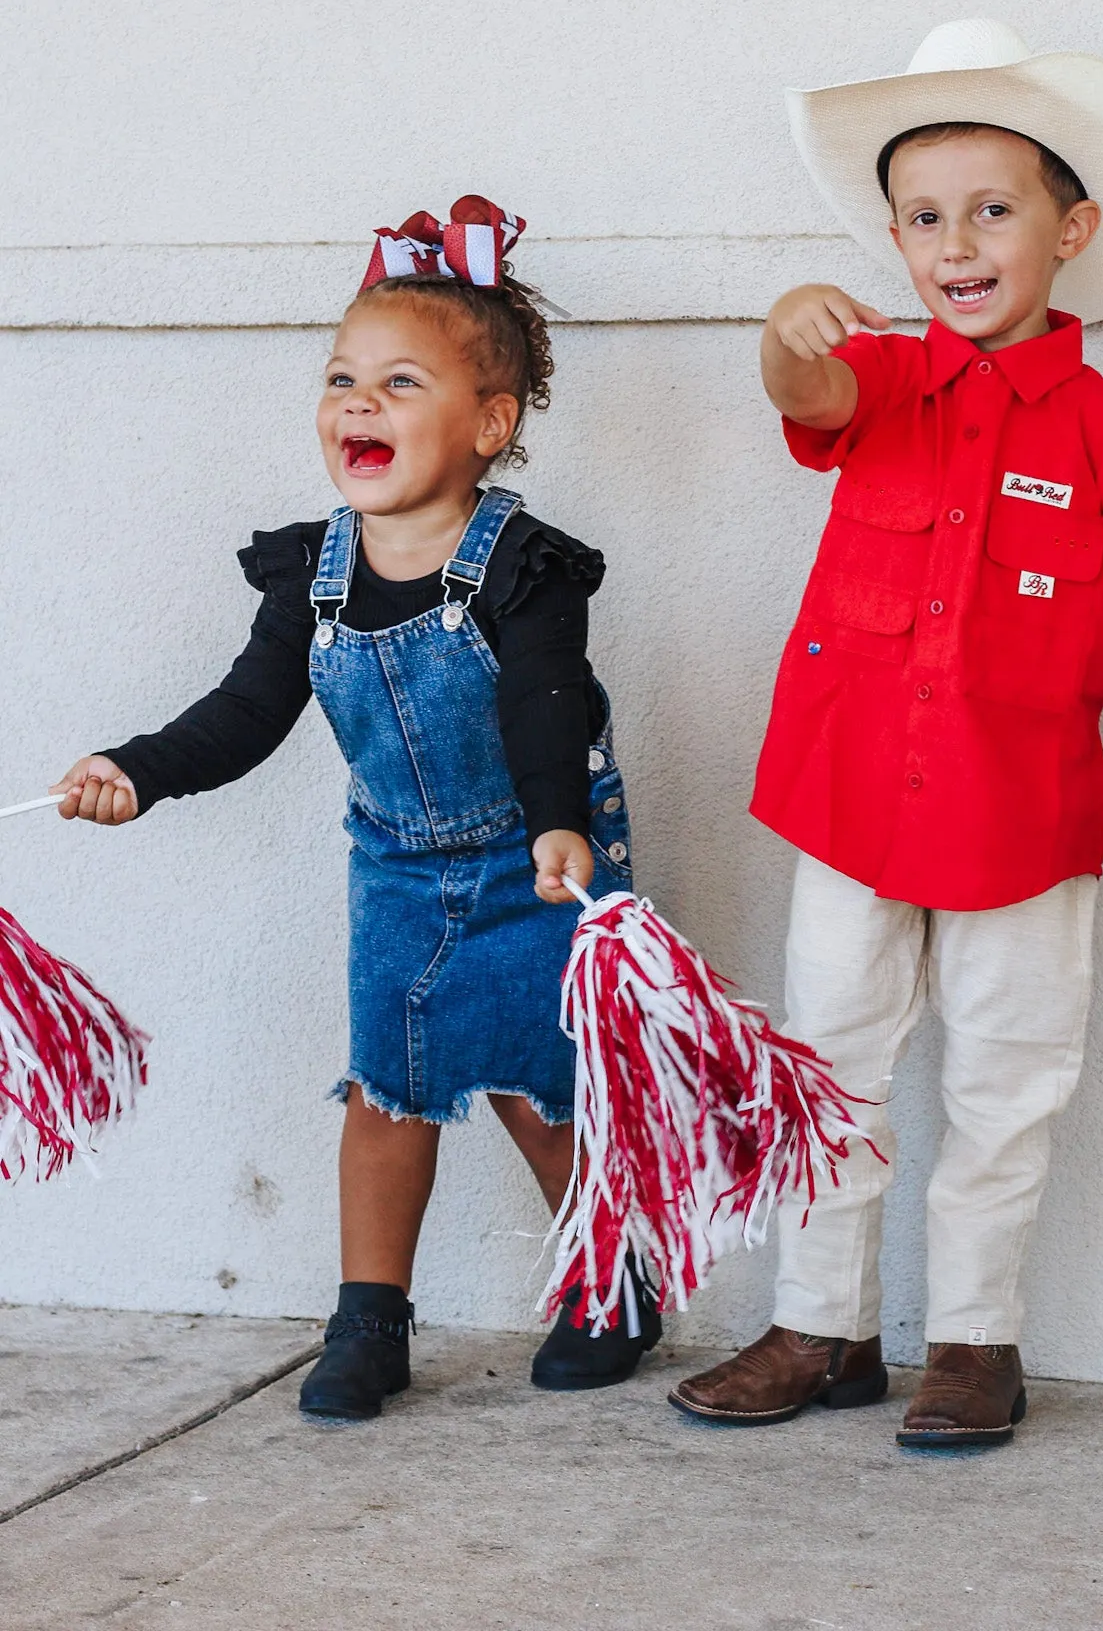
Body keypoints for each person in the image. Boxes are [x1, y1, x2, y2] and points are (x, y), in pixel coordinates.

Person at [668, 21, 1103, 1448]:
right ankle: (819, 1326)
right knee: (828, 1062)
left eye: (994, 209)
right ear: (895, 242)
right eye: (923, 218)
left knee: (1006, 1079)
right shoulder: (882, 379)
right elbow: (804, 393)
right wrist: (787, 320)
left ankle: (976, 1342)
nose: (957, 242)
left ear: (1071, 229)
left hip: (1021, 819)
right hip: (854, 805)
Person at [54, 196, 659, 1418]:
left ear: (490, 422)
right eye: (342, 377)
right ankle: (369, 1315)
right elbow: (245, 710)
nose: (358, 403)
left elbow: (546, 700)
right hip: (393, 871)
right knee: (391, 1087)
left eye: (397, 380)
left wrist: (559, 822)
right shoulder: (312, 570)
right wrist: (139, 768)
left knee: (540, 1089)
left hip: (532, 859)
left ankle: (613, 1275)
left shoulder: (522, 566)